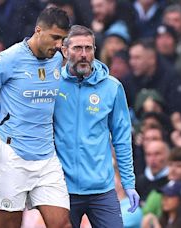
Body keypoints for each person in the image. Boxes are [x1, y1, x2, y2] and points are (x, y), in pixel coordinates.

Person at [0, 7, 71, 228]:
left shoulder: (58, 59)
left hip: (47, 156)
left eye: (63, 39)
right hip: (12, 155)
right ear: (39, 31)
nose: (59, 44)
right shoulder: (9, 58)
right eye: (55, 37)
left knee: (62, 224)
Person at [54, 25, 139, 228]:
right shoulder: (52, 83)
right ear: (65, 51)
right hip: (61, 188)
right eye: (77, 48)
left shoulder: (112, 87)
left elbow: (122, 138)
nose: (84, 55)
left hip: (102, 189)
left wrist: (128, 183)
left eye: (89, 48)